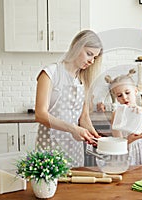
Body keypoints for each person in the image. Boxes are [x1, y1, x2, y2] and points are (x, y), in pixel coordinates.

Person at [35, 30, 103, 167]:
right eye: (89, 54)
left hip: (74, 150)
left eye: (95, 57)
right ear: (76, 46)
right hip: (50, 148)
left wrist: (95, 137)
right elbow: (40, 115)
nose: (91, 61)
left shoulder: (83, 79)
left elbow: (83, 118)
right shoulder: (51, 72)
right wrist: (73, 129)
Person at [105, 69, 142, 165]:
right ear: (116, 97)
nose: (124, 97)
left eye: (127, 93)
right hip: (128, 154)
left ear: (135, 91)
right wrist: (129, 139)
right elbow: (118, 142)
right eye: (119, 95)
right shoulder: (116, 114)